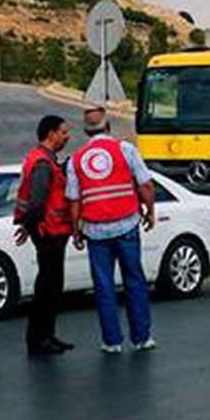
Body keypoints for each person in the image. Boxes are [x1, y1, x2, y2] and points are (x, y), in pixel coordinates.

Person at [66, 106, 157, 353]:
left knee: (104, 286)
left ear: (86, 131)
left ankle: (112, 341)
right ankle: (141, 338)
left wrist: (75, 230)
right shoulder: (125, 150)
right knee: (134, 281)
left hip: (95, 232)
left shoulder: (76, 160)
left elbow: (74, 200)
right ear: (108, 127)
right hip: (126, 225)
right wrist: (150, 212)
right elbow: (146, 185)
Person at [13, 115, 74, 357]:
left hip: (51, 231)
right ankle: (39, 339)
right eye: (63, 132)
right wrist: (29, 226)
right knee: (48, 286)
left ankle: (47, 335)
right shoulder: (42, 164)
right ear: (51, 134)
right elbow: (37, 202)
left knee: (52, 285)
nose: (67, 136)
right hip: (48, 231)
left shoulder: (46, 160)